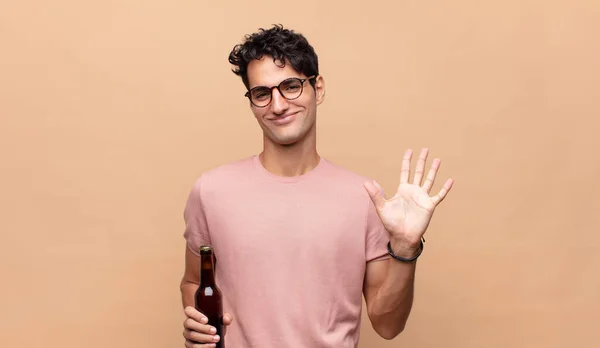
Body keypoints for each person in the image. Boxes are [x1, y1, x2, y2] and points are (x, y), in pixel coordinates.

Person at [179, 24, 453, 348]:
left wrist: (406, 249)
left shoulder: (364, 199)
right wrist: (198, 324)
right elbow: (194, 281)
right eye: (262, 93)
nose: (278, 105)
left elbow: (388, 324)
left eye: (291, 86)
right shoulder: (211, 192)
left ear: (317, 88)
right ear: (251, 102)